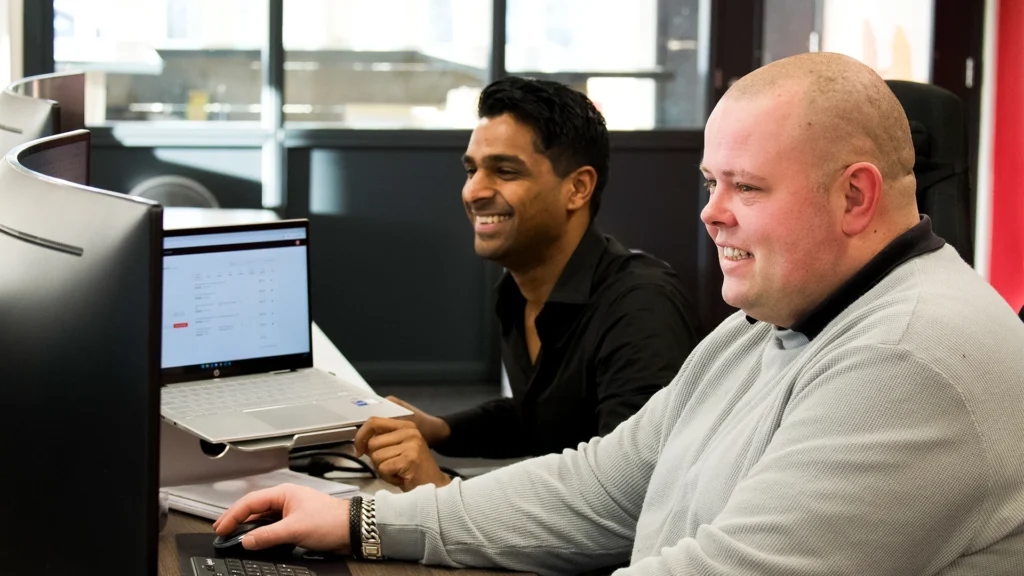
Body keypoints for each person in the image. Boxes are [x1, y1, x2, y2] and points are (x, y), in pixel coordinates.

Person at [215, 53, 1024, 574]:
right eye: (712, 183)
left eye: (746, 187)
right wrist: (361, 523)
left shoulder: (909, 359)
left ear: (856, 196)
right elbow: (601, 486)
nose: (711, 214)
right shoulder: (764, 328)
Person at [354, 76, 702, 490]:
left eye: (504, 171)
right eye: (471, 170)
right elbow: (542, 415)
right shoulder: (518, 292)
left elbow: (631, 496)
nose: (474, 191)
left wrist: (442, 491)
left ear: (577, 188)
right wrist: (439, 429)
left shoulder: (641, 308)